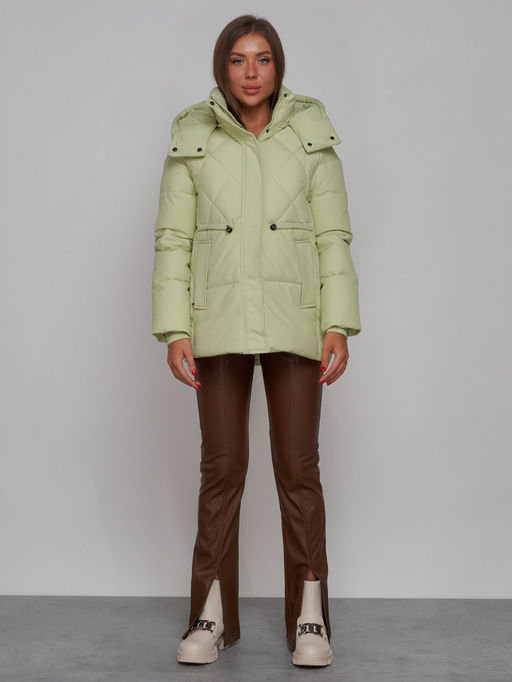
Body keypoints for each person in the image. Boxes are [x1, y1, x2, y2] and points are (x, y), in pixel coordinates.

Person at [151, 14, 361, 668]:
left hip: (296, 320)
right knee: (222, 470)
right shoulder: (193, 136)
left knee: (299, 470)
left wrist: (338, 323)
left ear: (278, 66)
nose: (250, 72)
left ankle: (309, 616)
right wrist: (175, 328)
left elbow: (332, 237)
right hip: (216, 325)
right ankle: (210, 615)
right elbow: (173, 241)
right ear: (222, 67)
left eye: (262, 59)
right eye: (238, 59)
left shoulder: (310, 133)